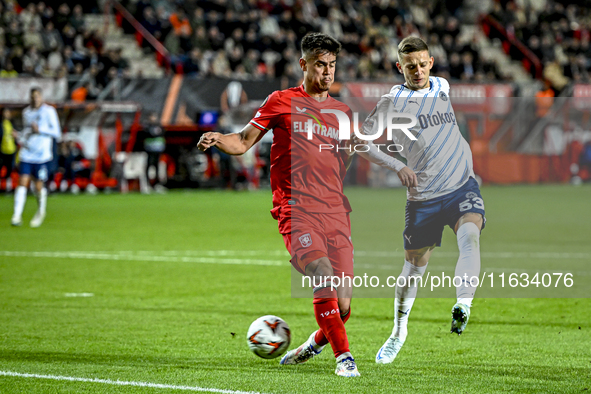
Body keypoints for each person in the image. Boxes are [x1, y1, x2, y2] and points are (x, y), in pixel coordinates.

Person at [198, 33, 361, 377]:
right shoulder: (281, 101)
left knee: (343, 306)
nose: (328, 72)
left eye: (332, 65)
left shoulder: (342, 111)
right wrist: (218, 140)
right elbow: (243, 141)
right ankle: (344, 359)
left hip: (335, 212)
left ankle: (314, 344)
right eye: (320, 64)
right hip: (295, 208)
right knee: (322, 274)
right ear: (303, 64)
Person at [359, 37, 486, 364]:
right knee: (414, 267)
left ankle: (464, 304)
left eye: (422, 64)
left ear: (431, 62)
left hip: (462, 186)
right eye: (409, 66)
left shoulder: (442, 86)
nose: (417, 70)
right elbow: (362, 142)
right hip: (424, 196)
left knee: (470, 236)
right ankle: (399, 331)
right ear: (399, 67)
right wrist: (397, 164)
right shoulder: (392, 101)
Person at [12, 87, 62, 227]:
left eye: (38, 96)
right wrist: (19, 136)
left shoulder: (49, 111)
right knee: (22, 182)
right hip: (27, 153)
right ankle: (16, 216)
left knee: (38, 186)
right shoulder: (26, 112)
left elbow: (57, 133)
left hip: (41, 156)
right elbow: (27, 132)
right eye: (33, 97)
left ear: (41, 97)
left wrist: (40, 130)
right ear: (30, 98)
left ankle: (41, 211)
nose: (35, 99)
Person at [143, 112, 167, 192]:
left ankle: (157, 184)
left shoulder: (159, 125)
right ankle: (147, 185)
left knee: (157, 167)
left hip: (158, 149)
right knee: (149, 166)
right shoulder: (147, 126)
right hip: (149, 149)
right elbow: (150, 134)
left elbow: (162, 133)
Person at [0, 108, 17, 192]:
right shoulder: (1, 124)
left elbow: (16, 135)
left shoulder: (12, 124)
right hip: (2, 150)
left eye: (8, 112)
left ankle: (8, 187)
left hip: (11, 150)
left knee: (10, 169)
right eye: (5, 112)